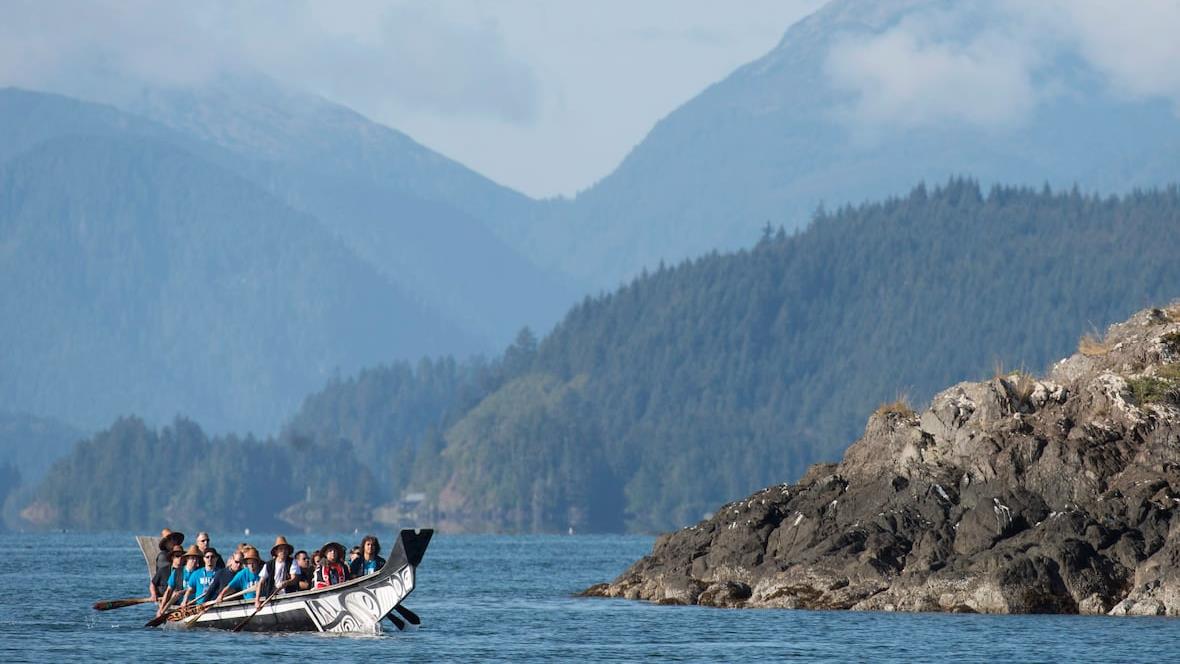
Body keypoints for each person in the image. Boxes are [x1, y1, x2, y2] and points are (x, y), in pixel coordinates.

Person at [256, 535, 295, 607]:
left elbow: (295, 579)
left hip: (288, 596)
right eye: (281, 549)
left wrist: (287, 582)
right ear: (276, 551)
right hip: (272, 597)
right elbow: (261, 582)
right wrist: (257, 600)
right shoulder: (269, 565)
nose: (283, 551)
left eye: (285, 549)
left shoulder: (292, 562)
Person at [152, 544, 186, 616]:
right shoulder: (163, 570)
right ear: (172, 557)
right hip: (165, 599)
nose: (180, 558)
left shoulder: (186, 571)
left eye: (182, 556)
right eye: (177, 556)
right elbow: (153, 584)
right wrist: (153, 594)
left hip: (180, 600)